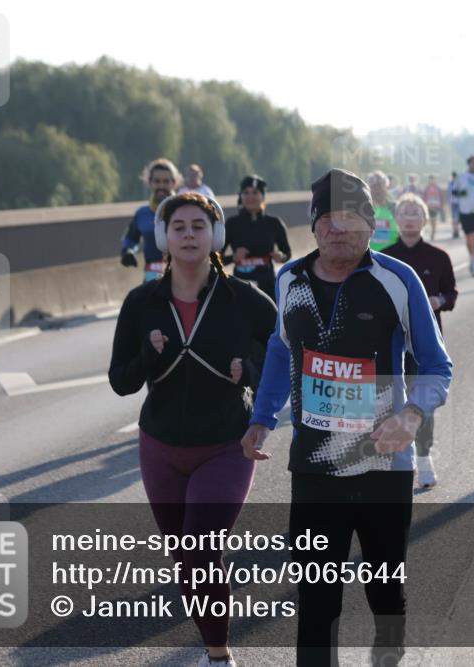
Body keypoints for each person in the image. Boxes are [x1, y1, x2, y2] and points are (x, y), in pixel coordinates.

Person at [241, 168, 452, 667]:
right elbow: (279, 348)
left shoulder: (397, 280)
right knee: (316, 604)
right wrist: (262, 416)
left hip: (383, 466)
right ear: (313, 227)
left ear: (371, 223)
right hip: (315, 469)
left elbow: (436, 363)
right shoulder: (289, 277)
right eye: (328, 219)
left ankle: (388, 653)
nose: (339, 229)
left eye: (351, 217)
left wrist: (413, 415)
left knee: (384, 591)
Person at [109, 192, 276, 667]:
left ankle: (219, 656)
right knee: (186, 561)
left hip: (225, 444)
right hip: (160, 446)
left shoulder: (244, 298)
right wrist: (149, 354)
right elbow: (122, 382)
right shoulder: (142, 303)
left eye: (198, 226)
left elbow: (283, 349)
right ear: (163, 238)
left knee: (203, 552)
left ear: (216, 236)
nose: (188, 234)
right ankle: (212, 641)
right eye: (177, 226)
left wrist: (251, 367)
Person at [382, 193, 457, 488]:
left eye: (416, 212)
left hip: (425, 343)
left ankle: (424, 457)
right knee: (389, 398)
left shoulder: (439, 257)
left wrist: (439, 300)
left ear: (425, 219)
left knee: (421, 398)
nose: (410, 217)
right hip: (390, 343)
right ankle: (391, 456)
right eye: (404, 212)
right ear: (396, 219)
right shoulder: (385, 258)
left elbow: (451, 293)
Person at [222, 175, 292, 300]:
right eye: (246, 193)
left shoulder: (274, 223)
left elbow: (287, 253)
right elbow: (215, 258)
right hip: (240, 286)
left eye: (255, 192)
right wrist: (233, 257)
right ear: (240, 196)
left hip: (268, 286)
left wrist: (281, 257)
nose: (250, 197)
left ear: (263, 196)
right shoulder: (231, 224)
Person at [122, 158, 181, 282]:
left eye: (166, 181)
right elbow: (131, 239)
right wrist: (128, 251)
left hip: (183, 276)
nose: (161, 186)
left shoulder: (185, 210)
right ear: (149, 182)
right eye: (157, 181)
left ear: (174, 183)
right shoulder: (142, 214)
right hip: (152, 275)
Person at [367, 170, 399, 251]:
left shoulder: (396, 208)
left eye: (379, 185)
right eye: (373, 185)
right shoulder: (362, 209)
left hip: (392, 255)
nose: (376, 189)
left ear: (387, 187)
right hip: (369, 256)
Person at [420, 174, 444, 241]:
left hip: (435, 207)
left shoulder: (437, 188)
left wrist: (441, 205)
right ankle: (424, 234)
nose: (431, 181)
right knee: (426, 222)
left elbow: (441, 197)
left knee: (434, 222)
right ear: (429, 180)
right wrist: (423, 205)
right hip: (428, 207)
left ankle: (432, 235)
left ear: (435, 180)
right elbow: (423, 197)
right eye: (430, 179)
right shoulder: (426, 188)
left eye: (433, 179)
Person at [447, 171, 460, 239]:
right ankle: (455, 231)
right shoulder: (450, 183)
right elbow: (449, 193)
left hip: (458, 203)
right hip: (453, 202)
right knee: (454, 218)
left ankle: (456, 231)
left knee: (456, 218)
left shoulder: (458, 183)